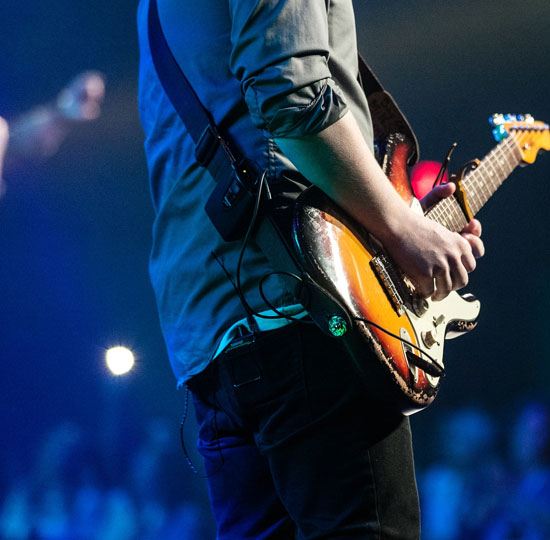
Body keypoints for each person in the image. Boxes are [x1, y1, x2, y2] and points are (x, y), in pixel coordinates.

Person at [136, 0, 484, 538]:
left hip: (210, 334)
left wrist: (394, 215)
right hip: (305, 312)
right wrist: (402, 228)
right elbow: (291, 98)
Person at [0, 71, 104, 199]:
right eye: (77, 90)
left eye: (83, 97)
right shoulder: (50, 108)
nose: (72, 96)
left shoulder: (77, 136)